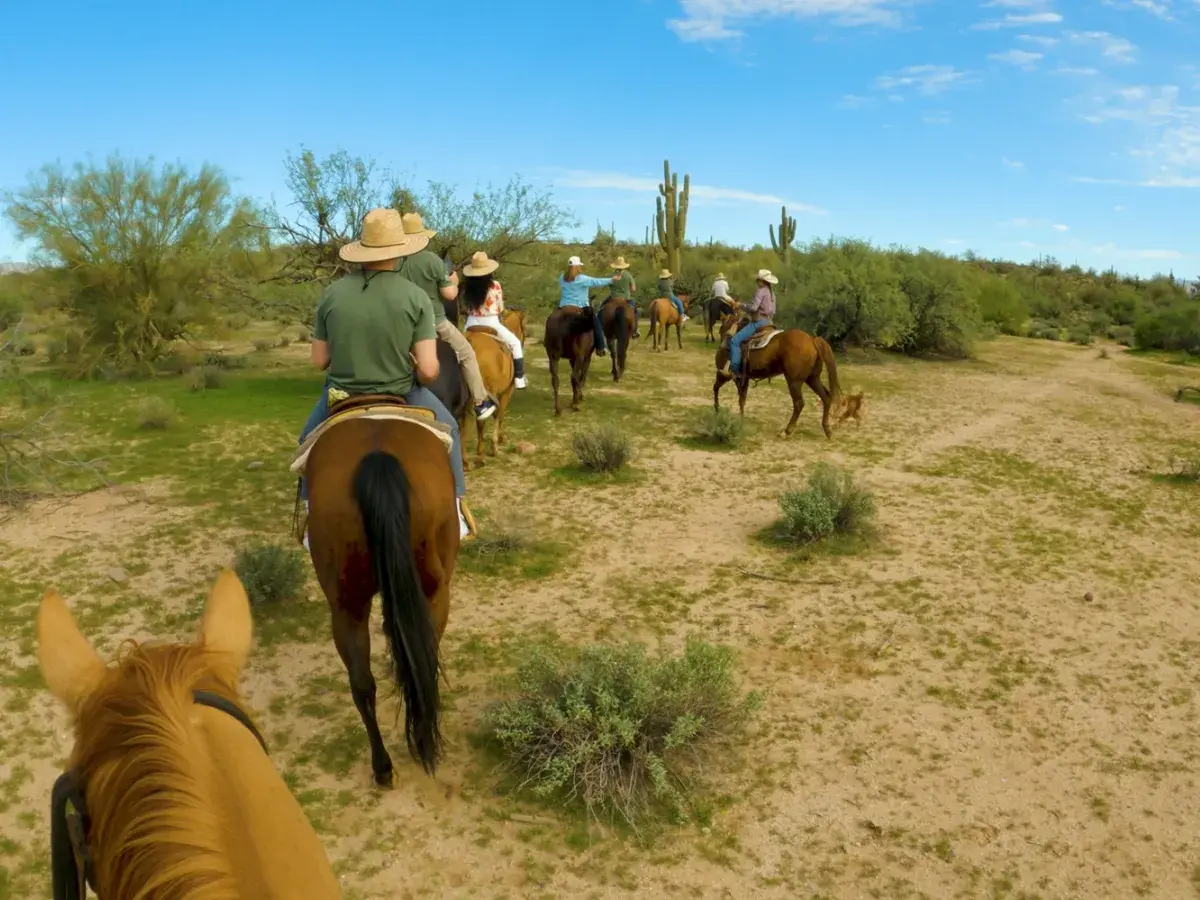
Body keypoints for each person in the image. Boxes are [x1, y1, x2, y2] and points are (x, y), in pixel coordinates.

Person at [297, 207, 473, 541]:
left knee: (307, 439)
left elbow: (319, 361)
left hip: (341, 396)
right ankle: (456, 509)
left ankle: (310, 519)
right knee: (449, 427)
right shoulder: (416, 297)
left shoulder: (332, 293)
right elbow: (429, 370)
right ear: (400, 249)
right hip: (402, 391)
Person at [394, 212, 497, 422]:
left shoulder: (395, 263)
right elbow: (449, 295)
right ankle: (479, 402)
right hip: (435, 323)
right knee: (467, 353)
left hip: (402, 325)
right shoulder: (432, 261)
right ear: (422, 236)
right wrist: (454, 281)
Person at [460, 251, 526, 389]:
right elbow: (500, 307)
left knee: (458, 347)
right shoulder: (495, 285)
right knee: (515, 344)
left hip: (471, 323)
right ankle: (519, 377)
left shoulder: (467, 286)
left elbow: (465, 306)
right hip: (491, 322)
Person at [721, 268, 778, 379]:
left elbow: (753, 307)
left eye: (758, 280)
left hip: (758, 322)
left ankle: (734, 370)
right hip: (769, 322)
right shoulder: (772, 294)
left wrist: (740, 305)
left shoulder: (760, 291)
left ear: (761, 281)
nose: (757, 282)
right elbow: (773, 311)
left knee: (734, 341)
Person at [558, 255, 618, 356]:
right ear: (578, 267)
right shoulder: (582, 279)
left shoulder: (561, 277)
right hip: (580, 306)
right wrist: (611, 280)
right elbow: (596, 281)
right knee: (596, 323)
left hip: (563, 306)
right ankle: (600, 347)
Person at [606, 255, 639, 336]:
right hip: (626, 298)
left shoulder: (611, 275)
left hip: (612, 298)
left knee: (601, 307)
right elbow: (633, 289)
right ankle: (635, 330)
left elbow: (608, 285)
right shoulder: (628, 275)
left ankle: (600, 329)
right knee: (635, 312)